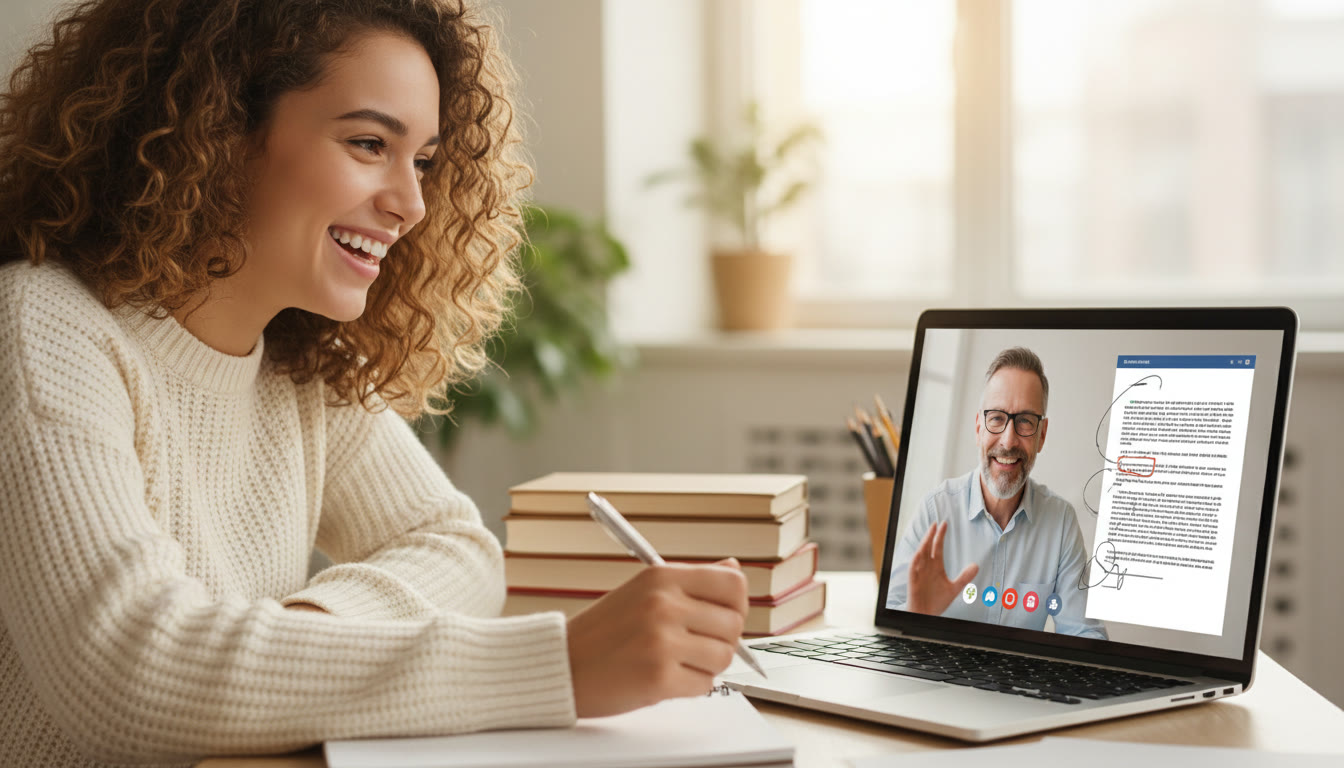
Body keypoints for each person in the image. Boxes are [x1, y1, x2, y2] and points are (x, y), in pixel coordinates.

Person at [0, 1, 748, 765]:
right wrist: (556, 668)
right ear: (219, 130)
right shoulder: (44, 326)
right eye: (368, 144)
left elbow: (456, 548)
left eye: (421, 160)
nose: (412, 204)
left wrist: (305, 633)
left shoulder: (302, 366)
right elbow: (126, 670)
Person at [887, 347, 1107, 639]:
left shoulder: (1061, 523)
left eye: (1026, 421)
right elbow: (888, 631)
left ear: (1042, 435)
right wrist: (918, 613)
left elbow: (1086, 637)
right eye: (997, 418)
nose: (1008, 440)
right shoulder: (935, 510)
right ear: (979, 426)